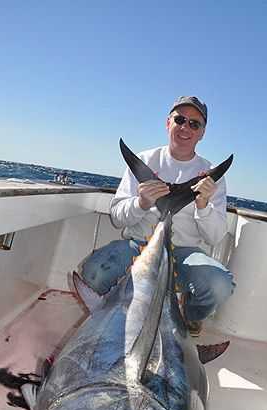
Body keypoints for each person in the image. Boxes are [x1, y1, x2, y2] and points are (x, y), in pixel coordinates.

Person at [81, 95, 235, 336]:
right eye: (180, 120)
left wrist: (203, 205)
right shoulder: (144, 161)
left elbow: (215, 236)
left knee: (219, 286)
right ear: (168, 123)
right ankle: (119, 315)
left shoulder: (212, 175)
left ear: (202, 133)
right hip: (138, 246)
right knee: (94, 273)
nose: (185, 127)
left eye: (194, 124)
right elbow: (118, 217)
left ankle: (190, 318)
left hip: (185, 253)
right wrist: (141, 202)